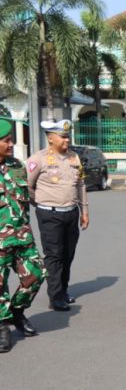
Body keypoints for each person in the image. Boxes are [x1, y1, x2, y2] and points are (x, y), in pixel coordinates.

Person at [26, 119, 88, 311]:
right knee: (54, 255)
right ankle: (55, 297)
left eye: (67, 136)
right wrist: (41, 203)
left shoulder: (74, 158)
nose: (67, 140)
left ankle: (63, 291)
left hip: (71, 212)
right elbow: (28, 186)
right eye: (62, 137)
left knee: (68, 254)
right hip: (49, 214)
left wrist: (84, 211)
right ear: (51, 138)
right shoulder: (38, 159)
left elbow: (80, 185)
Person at [0, 119, 46, 352]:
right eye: (6, 141)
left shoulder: (17, 166)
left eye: (11, 140)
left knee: (36, 274)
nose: (11, 144)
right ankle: (2, 326)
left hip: (22, 237)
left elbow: (26, 199)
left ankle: (17, 311)